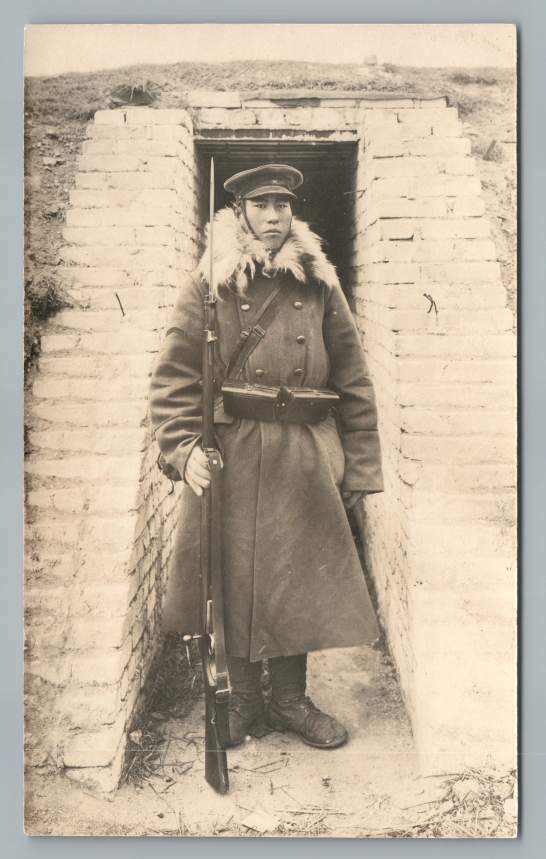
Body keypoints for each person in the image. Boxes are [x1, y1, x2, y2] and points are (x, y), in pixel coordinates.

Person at [149, 164, 384, 750]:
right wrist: (182, 448)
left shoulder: (317, 284)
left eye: (282, 204)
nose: (274, 216)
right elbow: (175, 378)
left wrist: (358, 464)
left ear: (293, 212)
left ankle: (288, 702)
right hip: (232, 449)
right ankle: (245, 702)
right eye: (261, 205)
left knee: (296, 579)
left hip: (304, 450)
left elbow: (354, 378)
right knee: (232, 576)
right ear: (240, 213)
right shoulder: (210, 284)